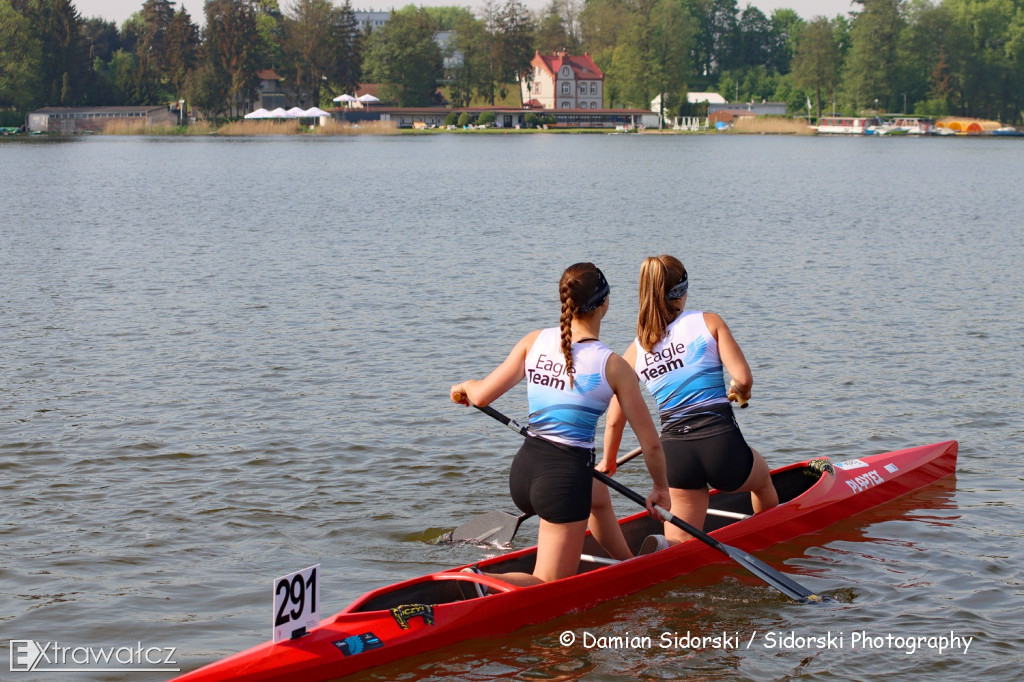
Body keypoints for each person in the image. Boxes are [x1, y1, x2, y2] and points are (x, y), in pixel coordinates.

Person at [450, 262, 671, 586]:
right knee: (549, 582)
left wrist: (463, 386)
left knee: (597, 494)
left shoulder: (534, 341)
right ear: (605, 303)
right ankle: (476, 582)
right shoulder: (613, 365)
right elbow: (651, 444)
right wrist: (661, 488)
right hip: (561, 483)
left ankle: (627, 564)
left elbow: (481, 396)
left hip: (525, 472)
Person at [603, 255, 778, 551]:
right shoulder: (709, 322)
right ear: (683, 290)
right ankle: (769, 539)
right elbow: (744, 380)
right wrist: (741, 392)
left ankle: (665, 550)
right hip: (720, 444)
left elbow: (614, 420)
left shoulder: (635, 351)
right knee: (762, 482)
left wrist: (608, 459)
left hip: (676, 455)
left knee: (682, 535)